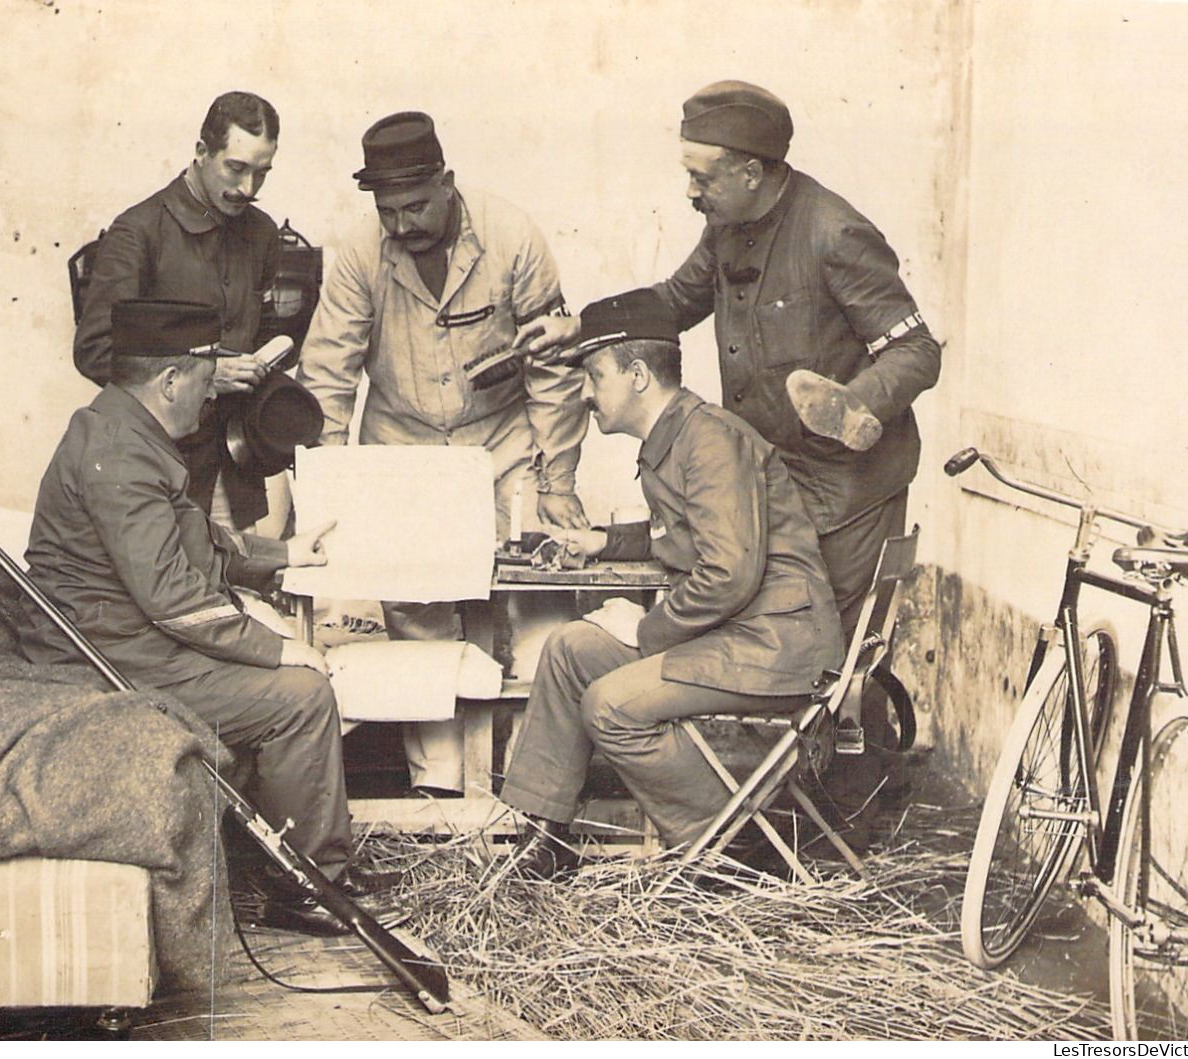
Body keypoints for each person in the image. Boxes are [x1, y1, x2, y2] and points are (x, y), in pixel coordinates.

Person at [519, 80, 938, 775]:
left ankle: (821, 811)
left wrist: (855, 407)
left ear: (751, 171)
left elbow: (915, 347)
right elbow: (675, 300)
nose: (690, 191)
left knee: (809, 656)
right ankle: (750, 798)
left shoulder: (833, 233)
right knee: (745, 630)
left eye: (700, 176)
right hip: (771, 470)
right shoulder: (726, 224)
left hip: (844, 487)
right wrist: (582, 327)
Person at [23, 298, 397, 934]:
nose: (211, 392)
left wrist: (286, 554)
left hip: (129, 636)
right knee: (301, 695)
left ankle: (312, 862)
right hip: (113, 654)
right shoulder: (120, 454)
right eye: (208, 376)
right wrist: (279, 651)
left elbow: (194, 538)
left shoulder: (123, 433)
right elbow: (171, 596)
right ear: (171, 380)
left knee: (288, 673)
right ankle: (306, 888)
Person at [500, 289, 844, 880]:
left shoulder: (708, 441)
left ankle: (733, 848)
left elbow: (728, 573)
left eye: (594, 376)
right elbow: (685, 531)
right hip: (740, 634)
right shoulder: (678, 435)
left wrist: (645, 628)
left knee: (610, 706)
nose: (584, 394)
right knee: (570, 650)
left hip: (775, 645)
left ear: (637, 376)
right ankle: (544, 834)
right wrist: (605, 543)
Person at [296, 111, 589, 795]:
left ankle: (530, 788)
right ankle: (443, 791)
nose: (401, 225)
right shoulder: (360, 253)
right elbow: (328, 374)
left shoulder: (512, 236)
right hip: (402, 447)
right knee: (418, 614)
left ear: (447, 182)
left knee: (538, 606)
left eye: (415, 207)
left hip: (502, 439)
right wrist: (329, 490)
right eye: (387, 211)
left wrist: (557, 478)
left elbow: (552, 369)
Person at [73, 91, 284, 531]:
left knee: (240, 589)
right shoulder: (139, 232)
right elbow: (95, 350)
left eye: (261, 174)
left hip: (238, 469)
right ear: (202, 152)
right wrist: (207, 374)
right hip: (153, 471)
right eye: (236, 168)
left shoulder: (262, 234)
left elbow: (262, 334)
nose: (248, 189)